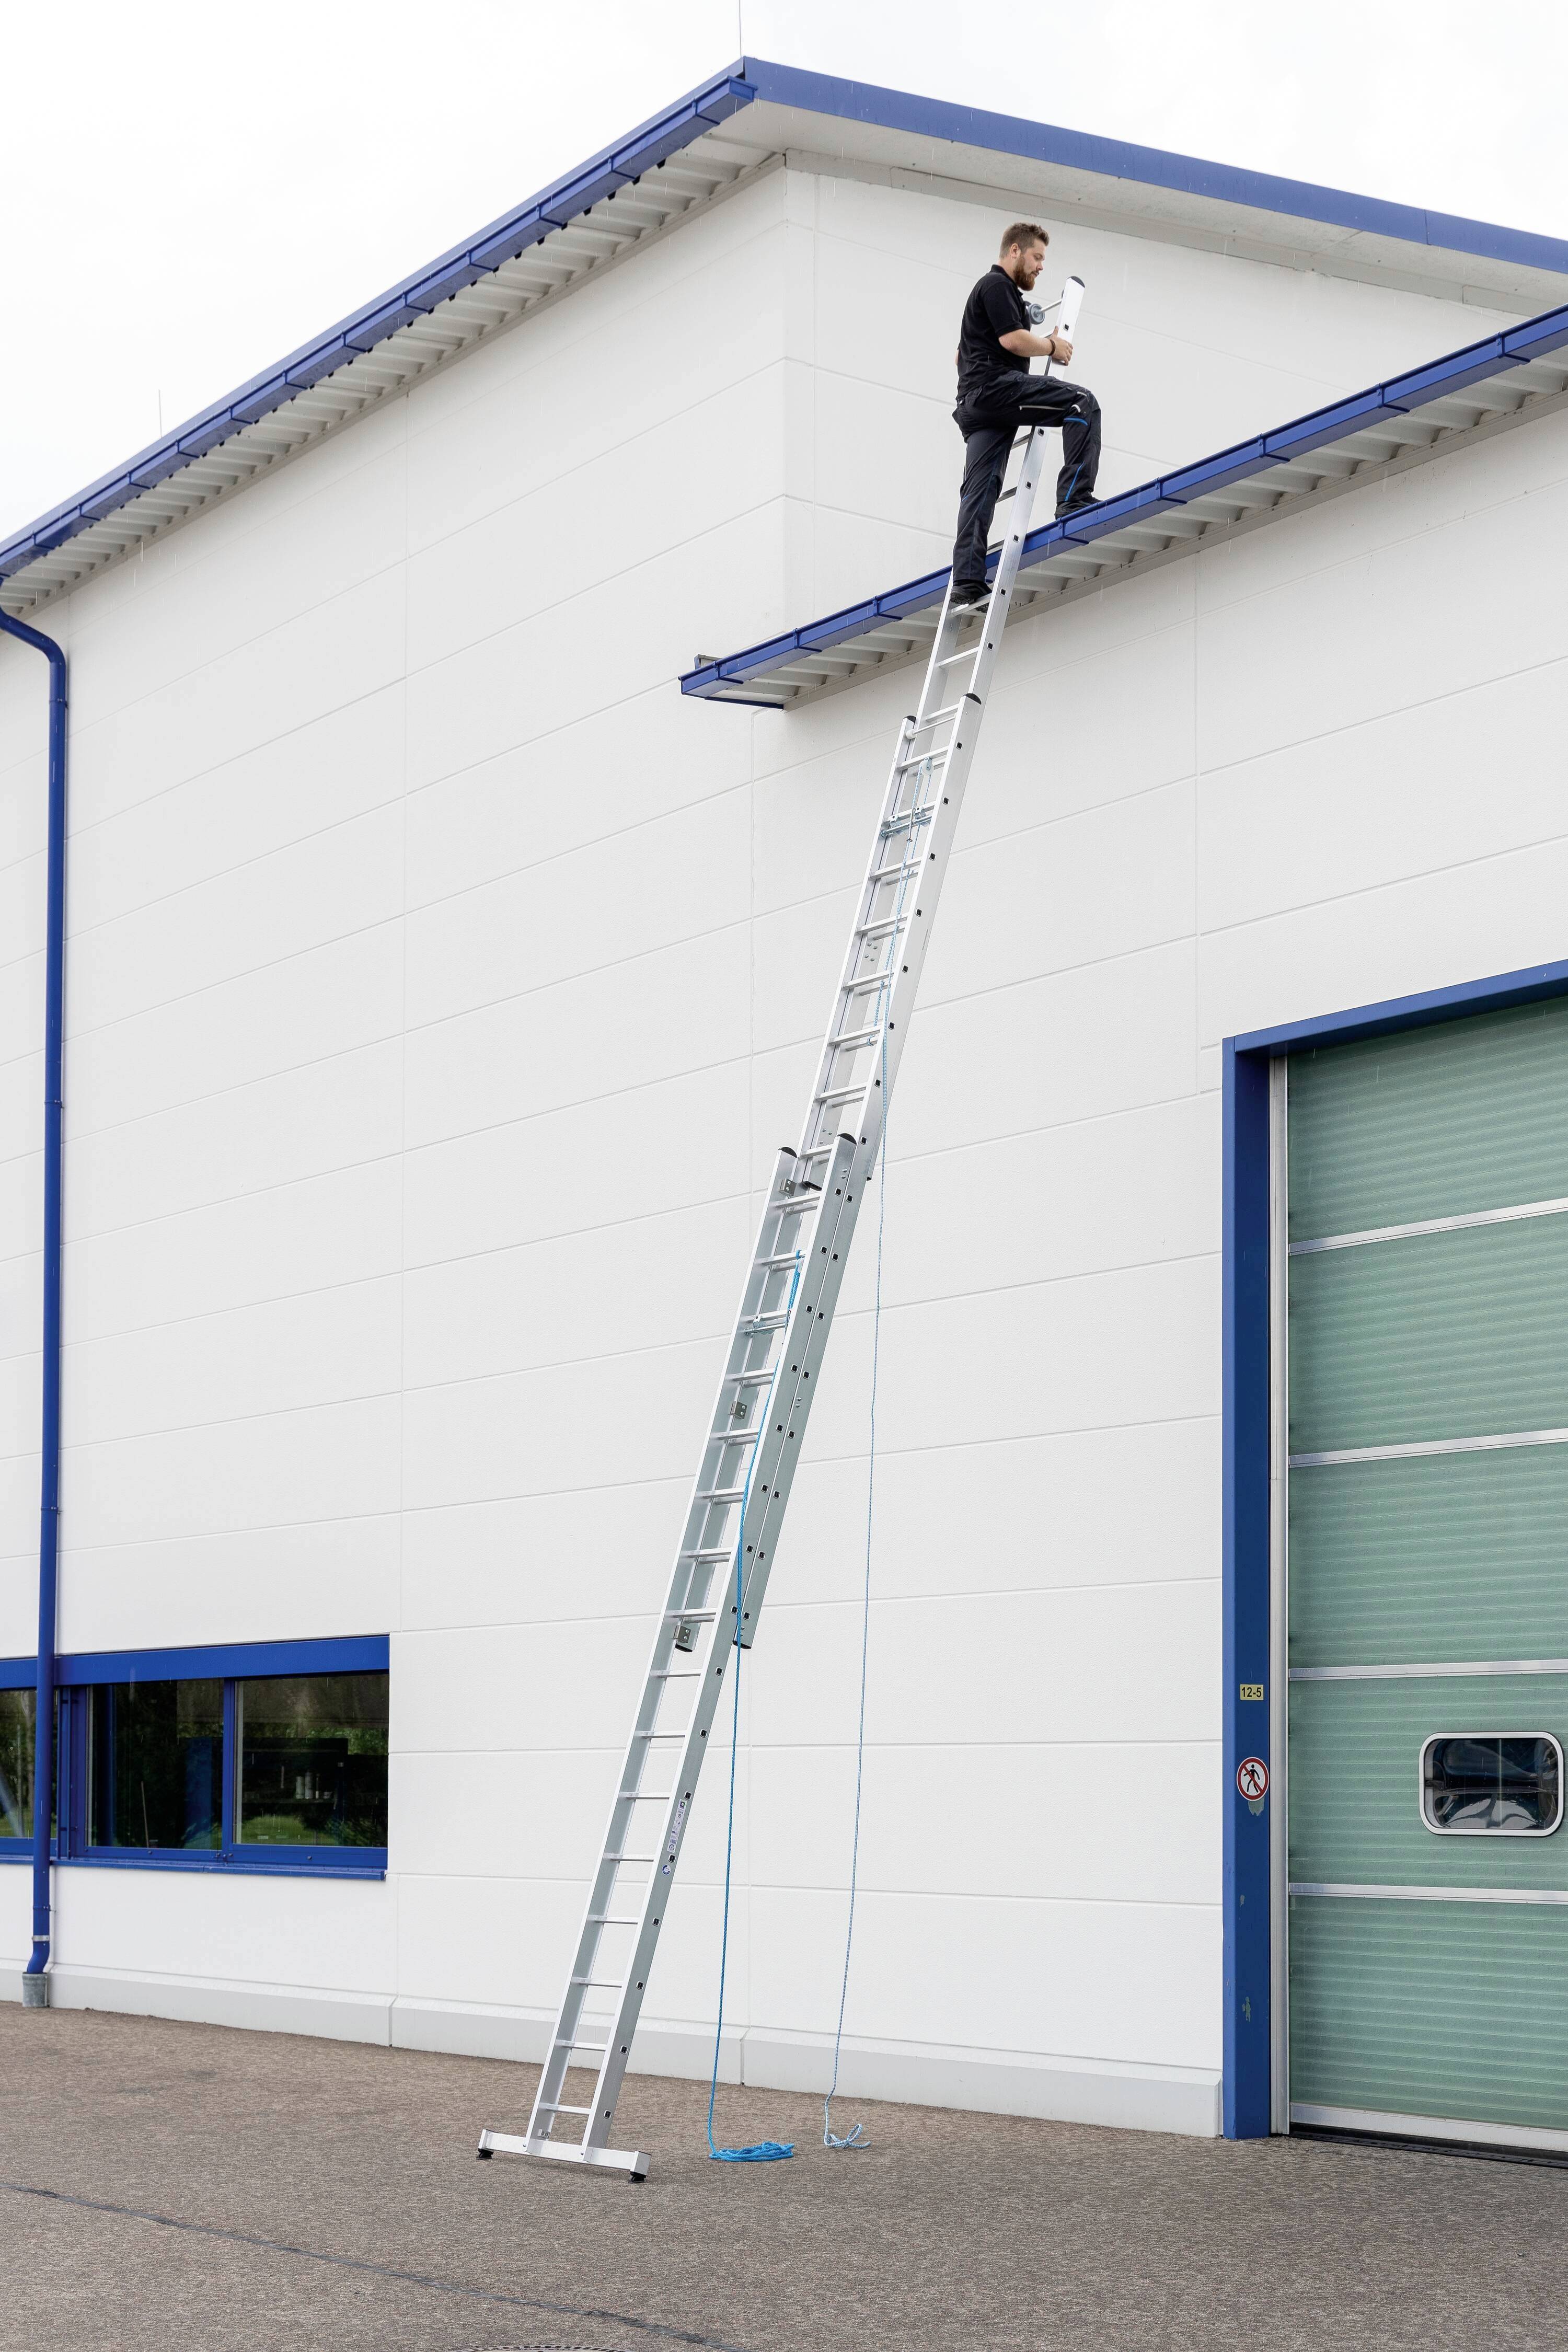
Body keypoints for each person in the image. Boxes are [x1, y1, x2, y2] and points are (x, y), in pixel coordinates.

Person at [949, 222, 1102, 606]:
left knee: (981, 489)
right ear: (1014, 251)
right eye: (1037, 257)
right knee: (1081, 404)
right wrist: (1052, 346)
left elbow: (960, 354)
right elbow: (1012, 340)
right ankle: (1074, 498)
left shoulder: (986, 295)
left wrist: (1035, 341)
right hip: (996, 391)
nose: (1041, 267)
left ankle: (967, 579)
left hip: (975, 405)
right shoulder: (998, 285)